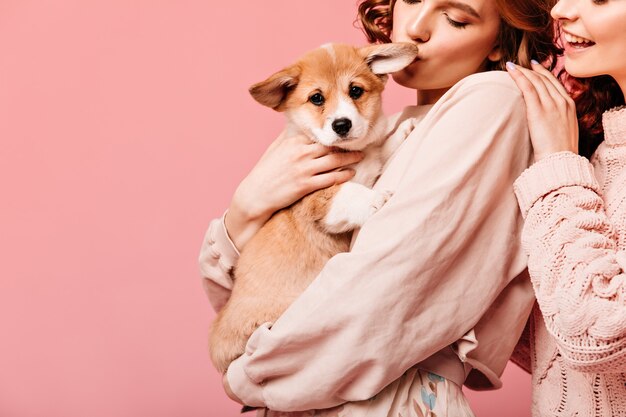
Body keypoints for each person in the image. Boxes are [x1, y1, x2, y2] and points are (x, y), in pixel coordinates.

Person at [200, 0, 558, 415]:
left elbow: (380, 298)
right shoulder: (389, 133)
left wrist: (249, 374)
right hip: (321, 390)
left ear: (500, 42)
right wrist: (247, 206)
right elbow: (247, 298)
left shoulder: (491, 100)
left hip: (382, 396)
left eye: (455, 17)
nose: (417, 29)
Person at [505, 0, 626, 415]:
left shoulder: (570, 161)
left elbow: (597, 335)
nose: (560, 9)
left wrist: (557, 159)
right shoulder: (605, 148)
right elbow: (554, 342)